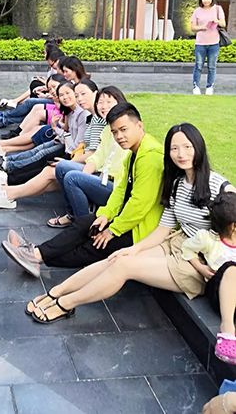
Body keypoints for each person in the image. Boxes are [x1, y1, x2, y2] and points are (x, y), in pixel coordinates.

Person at [18, 123, 235, 324]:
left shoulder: (219, 185)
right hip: (177, 243)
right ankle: (56, 292)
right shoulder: (177, 183)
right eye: (174, 148)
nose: (181, 154)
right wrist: (134, 249)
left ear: (198, 147)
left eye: (187, 147)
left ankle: (65, 304)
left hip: (199, 263)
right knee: (117, 257)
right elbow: (164, 229)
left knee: (124, 266)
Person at [1, 103, 164, 276]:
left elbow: (139, 204)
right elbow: (121, 191)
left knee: (92, 246)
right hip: (126, 217)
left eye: (124, 130)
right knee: (85, 223)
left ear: (139, 126)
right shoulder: (134, 152)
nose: (119, 136)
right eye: (115, 132)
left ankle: (35, 256)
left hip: (141, 230)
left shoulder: (150, 157)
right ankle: (35, 254)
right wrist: (105, 215)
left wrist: (113, 230)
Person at [0, 80, 106, 210]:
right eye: (77, 95)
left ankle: (8, 184)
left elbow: (86, 149)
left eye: (83, 94)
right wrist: (58, 128)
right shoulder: (90, 117)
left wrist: (69, 161)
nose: (79, 99)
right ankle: (7, 183)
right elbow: (77, 138)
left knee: (46, 162)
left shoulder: (90, 116)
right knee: (42, 154)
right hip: (77, 154)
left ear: (95, 93)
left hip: (82, 159)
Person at [47, 86, 128, 227]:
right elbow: (98, 156)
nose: (104, 106)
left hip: (116, 186)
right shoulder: (108, 128)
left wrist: (86, 177)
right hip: (102, 176)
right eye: (100, 102)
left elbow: (122, 164)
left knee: (72, 177)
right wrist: (85, 175)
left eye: (109, 102)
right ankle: (73, 214)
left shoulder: (125, 128)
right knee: (62, 167)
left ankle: (83, 225)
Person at [181, 191, 236, 364]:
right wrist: (200, 267)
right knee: (232, 269)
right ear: (233, 226)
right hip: (219, 292)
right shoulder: (209, 240)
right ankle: (227, 328)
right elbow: (187, 248)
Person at [191, 0, 226, 95]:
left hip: (214, 43)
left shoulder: (218, 9)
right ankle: (196, 86)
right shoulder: (197, 11)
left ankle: (210, 86)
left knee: (212, 66)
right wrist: (201, 27)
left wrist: (217, 21)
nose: (206, 1)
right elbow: (193, 27)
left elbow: (223, 24)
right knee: (198, 65)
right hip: (200, 43)